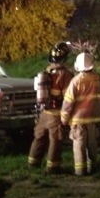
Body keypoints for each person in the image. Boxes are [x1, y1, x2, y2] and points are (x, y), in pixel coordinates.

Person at [28, 41, 74, 173]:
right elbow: (68, 96)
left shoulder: (46, 71)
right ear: (65, 58)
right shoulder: (65, 75)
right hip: (56, 114)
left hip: (43, 113)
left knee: (39, 137)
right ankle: (52, 167)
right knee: (55, 140)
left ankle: (33, 162)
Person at [60, 51, 100, 176]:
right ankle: (93, 167)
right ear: (91, 65)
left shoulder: (75, 82)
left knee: (79, 144)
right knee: (92, 144)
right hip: (94, 118)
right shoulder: (98, 79)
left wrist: (64, 118)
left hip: (78, 120)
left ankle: (80, 170)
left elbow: (68, 102)